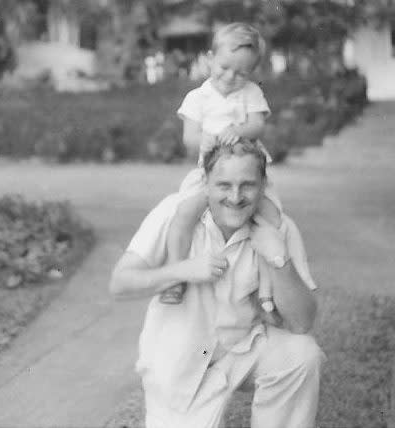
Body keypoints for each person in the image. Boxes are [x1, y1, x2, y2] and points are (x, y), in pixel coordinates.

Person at [109, 140, 325, 428]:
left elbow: (302, 323)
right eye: (224, 185)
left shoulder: (278, 227)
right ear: (204, 183)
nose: (235, 197)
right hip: (182, 363)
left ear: (263, 185)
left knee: (301, 355)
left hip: (243, 349)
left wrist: (278, 257)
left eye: (247, 185)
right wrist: (183, 270)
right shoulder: (173, 214)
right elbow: (120, 284)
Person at [161, 23, 283, 309]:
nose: (231, 77)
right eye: (224, 67)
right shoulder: (197, 98)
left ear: (251, 73)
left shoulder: (250, 92)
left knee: (273, 219)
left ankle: (267, 288)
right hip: (211, 174)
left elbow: (258, 124)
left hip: (247, 172)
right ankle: (175, 276)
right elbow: (189, 138)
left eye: (242, 72)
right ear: (210, 58)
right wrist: (206, 139)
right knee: (182, 214)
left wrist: (239, 129)